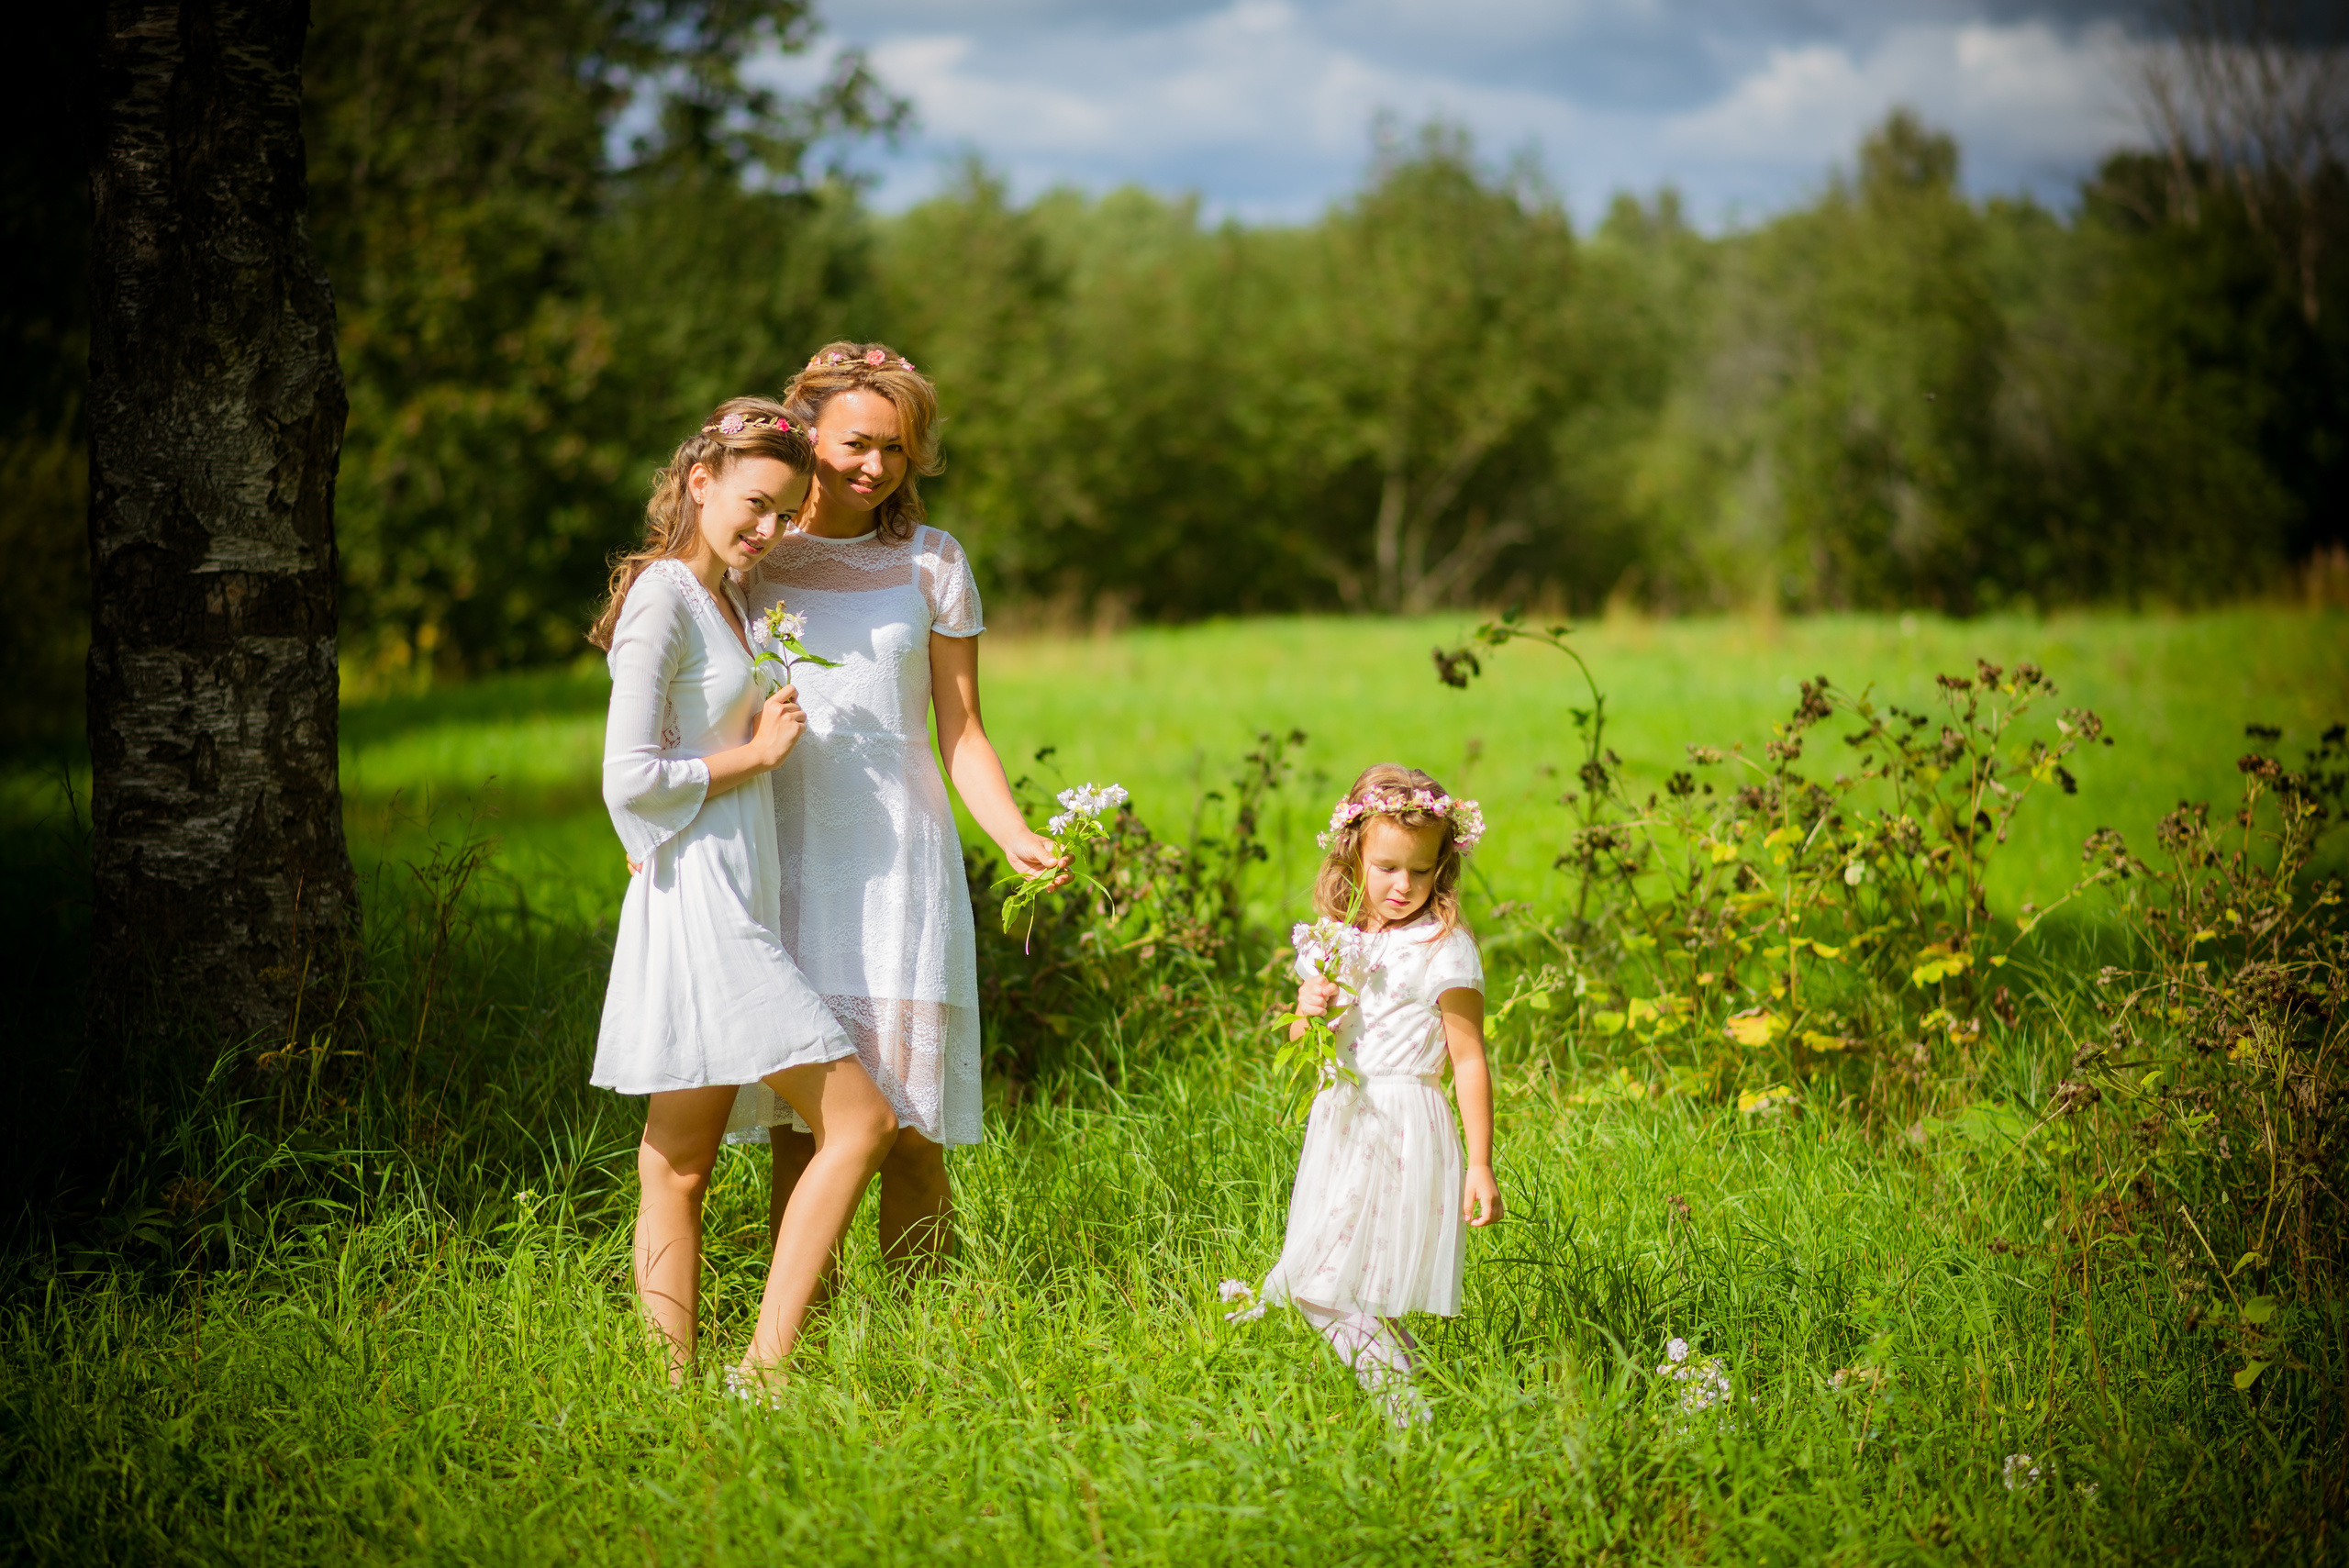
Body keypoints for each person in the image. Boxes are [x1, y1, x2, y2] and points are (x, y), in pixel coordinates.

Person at [730, 342, 1063, 1272]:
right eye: (857, 443)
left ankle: (922, 1334)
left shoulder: (931, 562)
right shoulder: (751, 556)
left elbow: (962, 730)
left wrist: (1014, 832)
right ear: (807, 434)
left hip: (901, 870)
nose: (876, 466)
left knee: (913, 1132)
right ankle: (803, 1332)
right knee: (804, 1130)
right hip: (786, 857)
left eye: (896, 448)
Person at [590, 396, 898, 1396]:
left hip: (726, 887)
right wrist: (755, 755)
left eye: (782, 509)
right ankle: (764, 1373)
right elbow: (626, 776)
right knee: (861, 1122)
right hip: (706, 906)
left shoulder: (726, 597)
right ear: (699, 482)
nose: (766, 527)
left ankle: (670, 1388)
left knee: (677, 1161)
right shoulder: (665, 596)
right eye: (753, 502)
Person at [1232, 764, 1502, 1426]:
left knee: (1321, 1287)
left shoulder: (1443, 947)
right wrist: (1309, 1008)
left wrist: (1480, 1162)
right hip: (1341, 1119)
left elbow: (1469, 1058)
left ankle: (1410, 1417)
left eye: (1420, 871)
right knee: (1351, 1286)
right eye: (1386, 868)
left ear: (1441, 868)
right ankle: (1430, 1416)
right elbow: (1304, 1038)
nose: (1402, 885)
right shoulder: (1336, 940)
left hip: (1401, 1124)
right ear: (1353, 854)